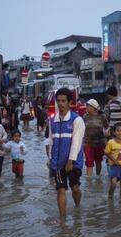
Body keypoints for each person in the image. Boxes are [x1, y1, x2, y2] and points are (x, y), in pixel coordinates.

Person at [49, 88, 85, 217]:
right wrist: (50, 159)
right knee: (60, 190)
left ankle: (77, 206)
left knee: (75, 188)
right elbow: (51, 140)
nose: (61, 104)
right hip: (58, 162)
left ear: (69, 102)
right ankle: (62, 221)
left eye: (63, 101)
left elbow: (76, 143)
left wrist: (71, 161)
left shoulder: (77, 120)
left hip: (74, 162)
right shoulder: (52, 120)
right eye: (58, 101)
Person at [83, 99, 109, 177]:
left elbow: (107, 127)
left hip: (99, 143)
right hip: (88, 143)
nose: (86, 107)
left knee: (98, 161)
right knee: (89, 162)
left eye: (88, 106)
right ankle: (89, 182)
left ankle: (98, 177)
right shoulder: (85, 117)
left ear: (93, 107)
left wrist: (107, 134)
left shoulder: (102, 116)